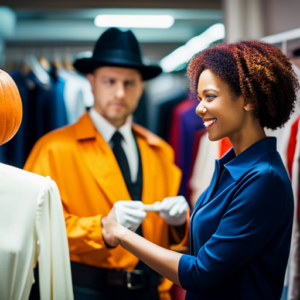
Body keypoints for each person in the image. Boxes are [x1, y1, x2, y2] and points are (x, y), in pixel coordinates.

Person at [101, 41, 299, 300]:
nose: (198, 108)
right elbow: (208, 254)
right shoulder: (231, 168)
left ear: (249, 99)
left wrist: (121, 235)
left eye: (210, 97)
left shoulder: (264, 179)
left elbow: (202, 273)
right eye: (200, 97)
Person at [24, 28, 189, 300]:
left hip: (151, 290)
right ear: (91, 82)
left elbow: (168, 241)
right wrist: (101, 228)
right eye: (110, 81)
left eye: (130, 83)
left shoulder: (159, 151)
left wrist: (180, 224)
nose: (120, 93)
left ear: (141, 86)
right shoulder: (53, 148)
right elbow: (32, 227)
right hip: (84, 291)